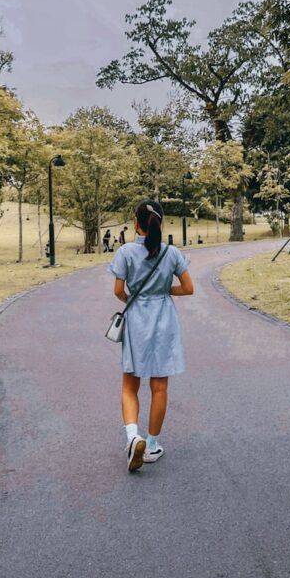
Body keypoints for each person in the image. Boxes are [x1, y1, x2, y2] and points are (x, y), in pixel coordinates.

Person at [109, 199, 194, 472]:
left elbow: (118, 290)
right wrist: (164, 291)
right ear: (161, 222)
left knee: (129, 386)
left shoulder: (125, 252)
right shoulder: (171, 253)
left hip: (136, 320)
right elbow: (188, 288)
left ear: (136, 224)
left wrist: (134, 300)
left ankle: (133, 437)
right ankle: (152, 444)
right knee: (159, 388)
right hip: (164, 320)